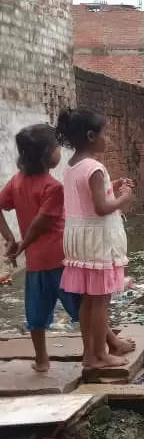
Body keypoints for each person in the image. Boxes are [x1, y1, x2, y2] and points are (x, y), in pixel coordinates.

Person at [55, 108, 135, 369]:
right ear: (91, 136)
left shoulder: (73, 166)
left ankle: (89, 354)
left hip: (79, 239)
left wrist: (113, 185)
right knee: (101, 301)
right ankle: (100, 355)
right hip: (99, 240)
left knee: (89, 301)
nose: (108, 140)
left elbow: (87, 199)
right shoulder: (95, 167)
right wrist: (124, 198)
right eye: (106, 134)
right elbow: (101, 207)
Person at [0, 125, 82, 372]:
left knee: (36, 312)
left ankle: (42, 360)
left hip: (35, 263)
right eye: (57, 147)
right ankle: (103, 347)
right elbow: (40, 224)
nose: (60, 151)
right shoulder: (53, 187)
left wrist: (10, 238)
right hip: (60, 259)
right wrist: (19, 245)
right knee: (84, 307)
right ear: (48, 154)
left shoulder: (16, 181)